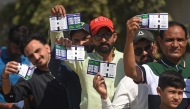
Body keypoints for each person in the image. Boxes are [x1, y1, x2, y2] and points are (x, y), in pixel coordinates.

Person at [50, 5, 126, 109]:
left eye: (107, 35)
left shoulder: (126, 59)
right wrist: (56, 19)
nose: (103, 40)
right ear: (92, 39)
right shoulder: (84, 59)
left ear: (115, 37)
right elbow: (57, 44)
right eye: (98, 36)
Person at [124, 17, 190, 109]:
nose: (175, 45)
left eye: (180, 40)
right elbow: (130, 71)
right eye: (169, 40)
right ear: (160, 41)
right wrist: (130, 37)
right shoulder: (151, 69)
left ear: (186, 41)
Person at [1, 34, 69, 109]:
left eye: (37, 51)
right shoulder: (30, 77)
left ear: (47, 48)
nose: (36, 57)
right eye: (30, 56)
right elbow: (11, 96)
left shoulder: (70, 66)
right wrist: (5, 77)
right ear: (29, 60)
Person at [93, 29, 157, 109]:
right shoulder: (127, 82)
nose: (144, 53)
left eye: (148, 48)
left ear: (155, 47)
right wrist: (104, 97)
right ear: (131, 53)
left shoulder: (166, 72)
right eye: (138, 50)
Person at [49, 21, 93, 109]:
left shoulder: (105, 62)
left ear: (93, 39)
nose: (81, 43)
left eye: (85, 38)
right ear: (71, 42)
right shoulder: (70, 68)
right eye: (76, 40)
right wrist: (58, 48)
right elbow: (55, 68)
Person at [0, 25, 30, 109]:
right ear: (8, 42)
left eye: (22, 49)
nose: (19, 52)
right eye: (16, 48)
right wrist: (6, 106)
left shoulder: (29, 60)